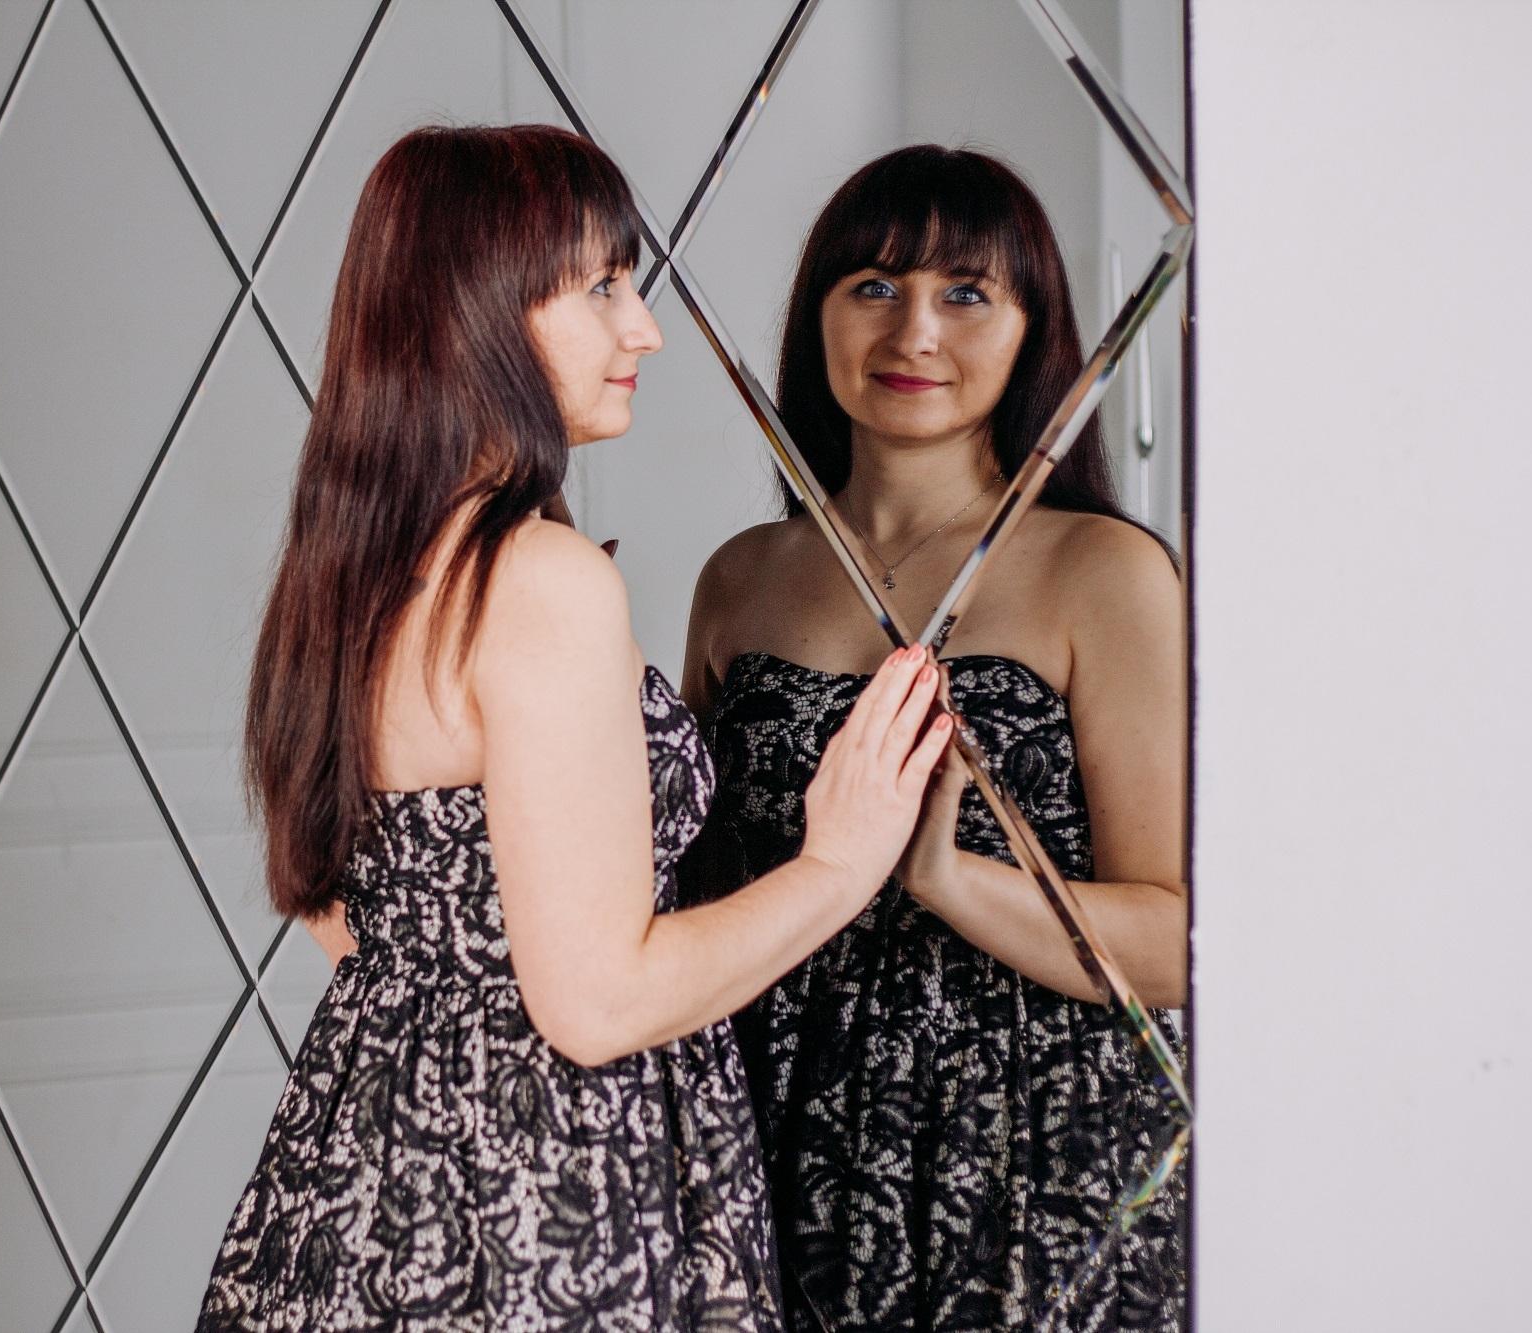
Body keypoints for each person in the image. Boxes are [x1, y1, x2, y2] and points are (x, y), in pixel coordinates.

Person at [193, 124, 953, 1332]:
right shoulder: (537, 579)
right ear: (473, 312)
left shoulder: (353, 566)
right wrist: (838, 865)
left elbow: (348, 917)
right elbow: (594, 1006)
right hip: (542, 1199)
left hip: (362, 1175)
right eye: (600, 287)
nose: (642, 329)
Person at [679, 145, 1188, 1331]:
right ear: (814, 316)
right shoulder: (739, 576)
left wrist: (945, 876)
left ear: (1031, 330)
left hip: (1030, 1151)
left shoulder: (1102, 569)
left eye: (965, 293)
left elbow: (1174, 941)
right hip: (773, 1121)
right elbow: (696, 885)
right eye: (873, 285)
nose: (913, 331)